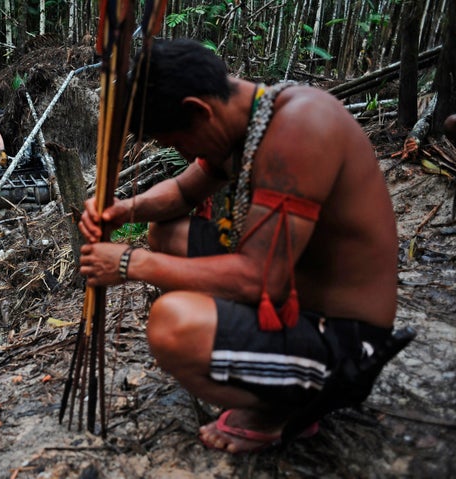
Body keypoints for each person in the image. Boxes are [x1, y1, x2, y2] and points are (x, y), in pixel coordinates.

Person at [78, 38, 401, 453]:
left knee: (172, 326)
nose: (183, 153)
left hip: (345, 344)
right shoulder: (250, 120)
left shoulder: (299, 131)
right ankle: (259, 363)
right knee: (167, 233)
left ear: (198, 111)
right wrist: (125, 209)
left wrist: (128, 263)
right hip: (291, 298)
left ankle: (279, 410)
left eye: (179, 143)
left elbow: (257, 279)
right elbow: (181, 193)